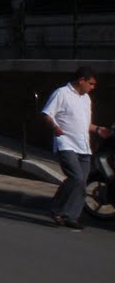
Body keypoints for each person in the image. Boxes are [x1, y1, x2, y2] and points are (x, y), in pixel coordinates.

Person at [42, 66, 111, 230]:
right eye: (91, 83)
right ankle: (56, 208)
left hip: (83, 146)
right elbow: (47, 114)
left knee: (81, 182)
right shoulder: (61, 93)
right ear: (81, 80)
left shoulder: (86, 99)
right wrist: (54, 127)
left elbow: (83, 123)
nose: (92, 87)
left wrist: (98, 129)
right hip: (65, 142)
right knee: (77, 178)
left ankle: (70, 216)